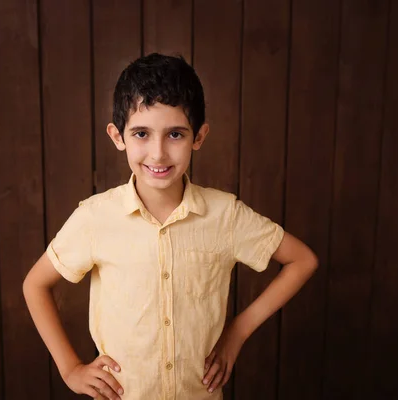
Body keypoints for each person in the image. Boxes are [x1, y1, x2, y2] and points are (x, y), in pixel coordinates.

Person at [23, 53, 318, 400]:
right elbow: (35, 285)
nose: (158, 153)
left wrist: (236, 333)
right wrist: (70, 368)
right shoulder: (95, 218)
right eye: (142, 134)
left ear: (199, 136)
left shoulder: (225, 215)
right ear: (118, 136)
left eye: (175, 134)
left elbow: (303, 261)